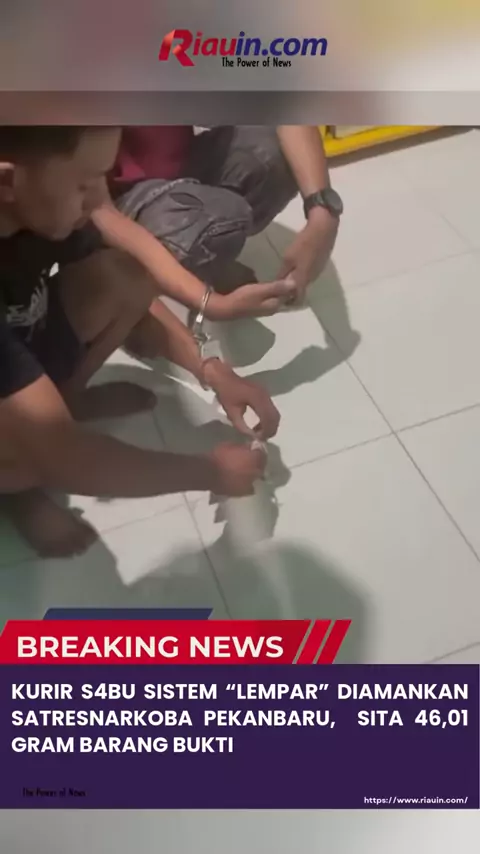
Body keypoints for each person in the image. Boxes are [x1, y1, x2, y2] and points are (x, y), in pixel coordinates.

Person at [0, 126, 279, 559]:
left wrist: (211, 370)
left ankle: (58, 408)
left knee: (122, 276)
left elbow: (138, 295)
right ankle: (18, 486)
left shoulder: (37, 208)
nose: (99, 200)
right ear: (7, 180)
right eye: (83, 184)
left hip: (20, 343)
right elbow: (67, 457)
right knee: (36, 459)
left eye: (103, 176)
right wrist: (211, 472)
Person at [109, 126, 343, 321]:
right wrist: (212, 304)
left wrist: (323, 214)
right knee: (221, 217)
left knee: (279, 153)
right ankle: (137, 280)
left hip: (176, 160)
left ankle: (199, 261)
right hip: (113, 196)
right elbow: (98, 206)